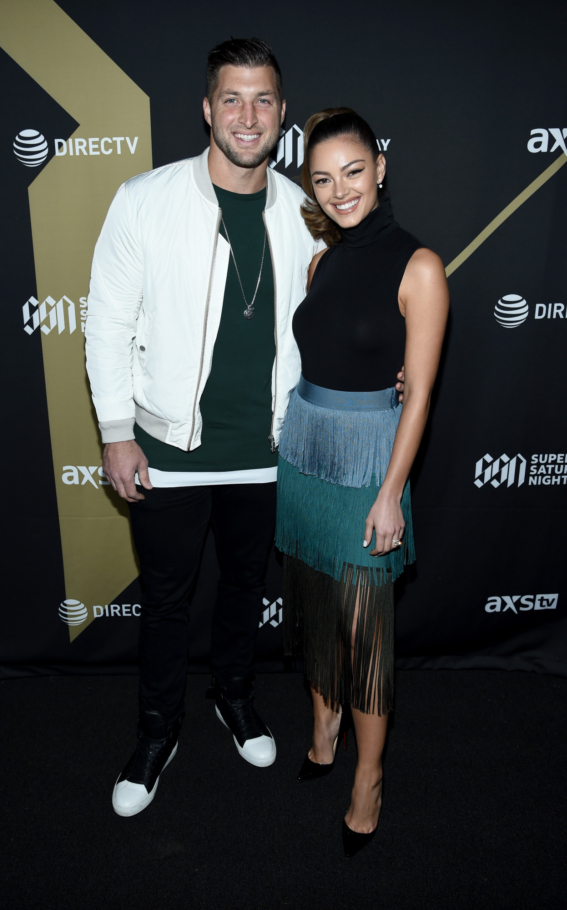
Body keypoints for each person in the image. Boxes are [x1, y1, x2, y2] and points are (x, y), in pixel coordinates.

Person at [86, 39, 405, 819]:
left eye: (262, 99)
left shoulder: (306, 210)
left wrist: (393, 368)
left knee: (241, 589)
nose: (247, 115)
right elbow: (106, 324)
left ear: (281, 113)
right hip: (168, 450)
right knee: (165, 604)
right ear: (206, 109)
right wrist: (115, 430)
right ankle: (157, 733)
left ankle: (234, 697)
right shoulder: (144, 199)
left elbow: (354, 304)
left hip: (270, 456)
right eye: (231, 98)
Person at [275, 109, 449, 857]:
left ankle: (368, 778)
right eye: (322, 178)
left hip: (369, 463)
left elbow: (421, 395)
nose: (339, 189)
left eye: (352, 171)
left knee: (363, 635)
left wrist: (389, 493)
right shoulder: (321, 261)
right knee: (314, 610)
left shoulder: (421, 267)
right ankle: (323, 726)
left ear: (379, 167)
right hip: (305, 449)